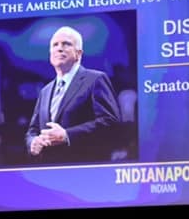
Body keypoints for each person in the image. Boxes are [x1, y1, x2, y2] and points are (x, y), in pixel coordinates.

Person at [25, 25, 122, 164]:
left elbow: (110, 122)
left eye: (66, 44)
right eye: (55, 45)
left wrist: (66, 135)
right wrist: (32, 143)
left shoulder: (95, 79)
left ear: (79, 54)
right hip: (48, 169)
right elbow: (32, 130)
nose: (59, 48)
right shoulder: (45, 91)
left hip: (85, 170)